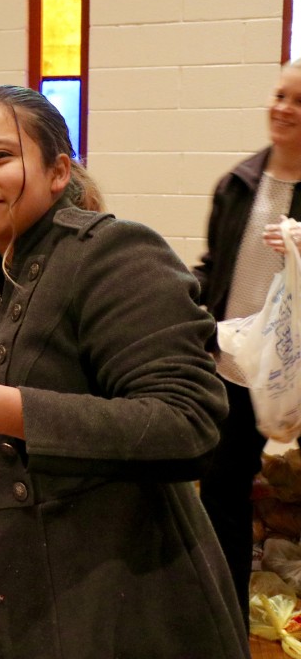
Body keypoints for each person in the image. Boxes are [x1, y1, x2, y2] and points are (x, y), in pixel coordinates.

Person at [0, 85, 245, 658]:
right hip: (21, 596)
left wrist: (8, 409)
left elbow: (190, 422)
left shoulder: (114, 255)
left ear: (58, 173)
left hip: (124, 603)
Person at [195, 58, 301, 631]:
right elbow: (214, 268)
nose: (283, 108)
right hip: (234, 368)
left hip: (300, 375)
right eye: (280, 95)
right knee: (223, 497)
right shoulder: (239, 183)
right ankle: (225, 622)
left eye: (299, 101)